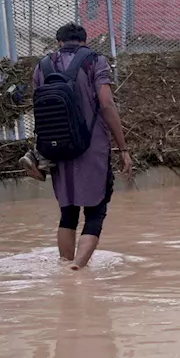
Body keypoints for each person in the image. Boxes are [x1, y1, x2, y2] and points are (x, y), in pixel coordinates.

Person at [22, 23, 132, 270]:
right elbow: (106, 104)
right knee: (96, 210)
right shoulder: (95, 61)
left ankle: (64, 263)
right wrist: (123, 148)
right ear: (84, 40)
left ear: (58, 42)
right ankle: (79, 266)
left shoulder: (42, 66)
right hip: (92, 146)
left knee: (68, 211)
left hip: (56, 147)